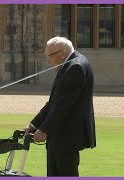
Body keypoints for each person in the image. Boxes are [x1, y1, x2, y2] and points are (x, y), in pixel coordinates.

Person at [24, 36, 96, 176]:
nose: (48, 61)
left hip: (67, 135)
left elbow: (64, 105)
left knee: (65, 173)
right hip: (59, 134)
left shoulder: (75, 67)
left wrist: (44, 129)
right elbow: (53, 102)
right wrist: (33, 125)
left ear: (62, 53)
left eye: (50, 56)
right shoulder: (68, 64)